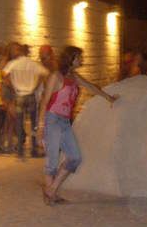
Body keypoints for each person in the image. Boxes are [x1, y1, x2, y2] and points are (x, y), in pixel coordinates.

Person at [37, 45, 119, 204]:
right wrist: (41, 127)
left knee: (75, 157)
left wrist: (109, 98)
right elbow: (44, 102)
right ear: (71, 59)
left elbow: (91, 87)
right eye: (79, 57)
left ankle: (50, 190)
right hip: (52, 119)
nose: (82, 59)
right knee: (52, 160)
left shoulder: (74, 77)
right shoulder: (56, 77)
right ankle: (51, 195)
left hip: (65, 121)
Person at [3, 43, 48, 158]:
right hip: (30, 94)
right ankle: (34, 149)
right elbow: (45, 73)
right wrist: (35, 85)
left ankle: (20, 151)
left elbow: (4, 74)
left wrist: (13, 86)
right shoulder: (33, 64)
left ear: (19, 52)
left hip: (19, 95)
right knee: (33, 123)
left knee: (19, 122)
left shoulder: (13, 63)